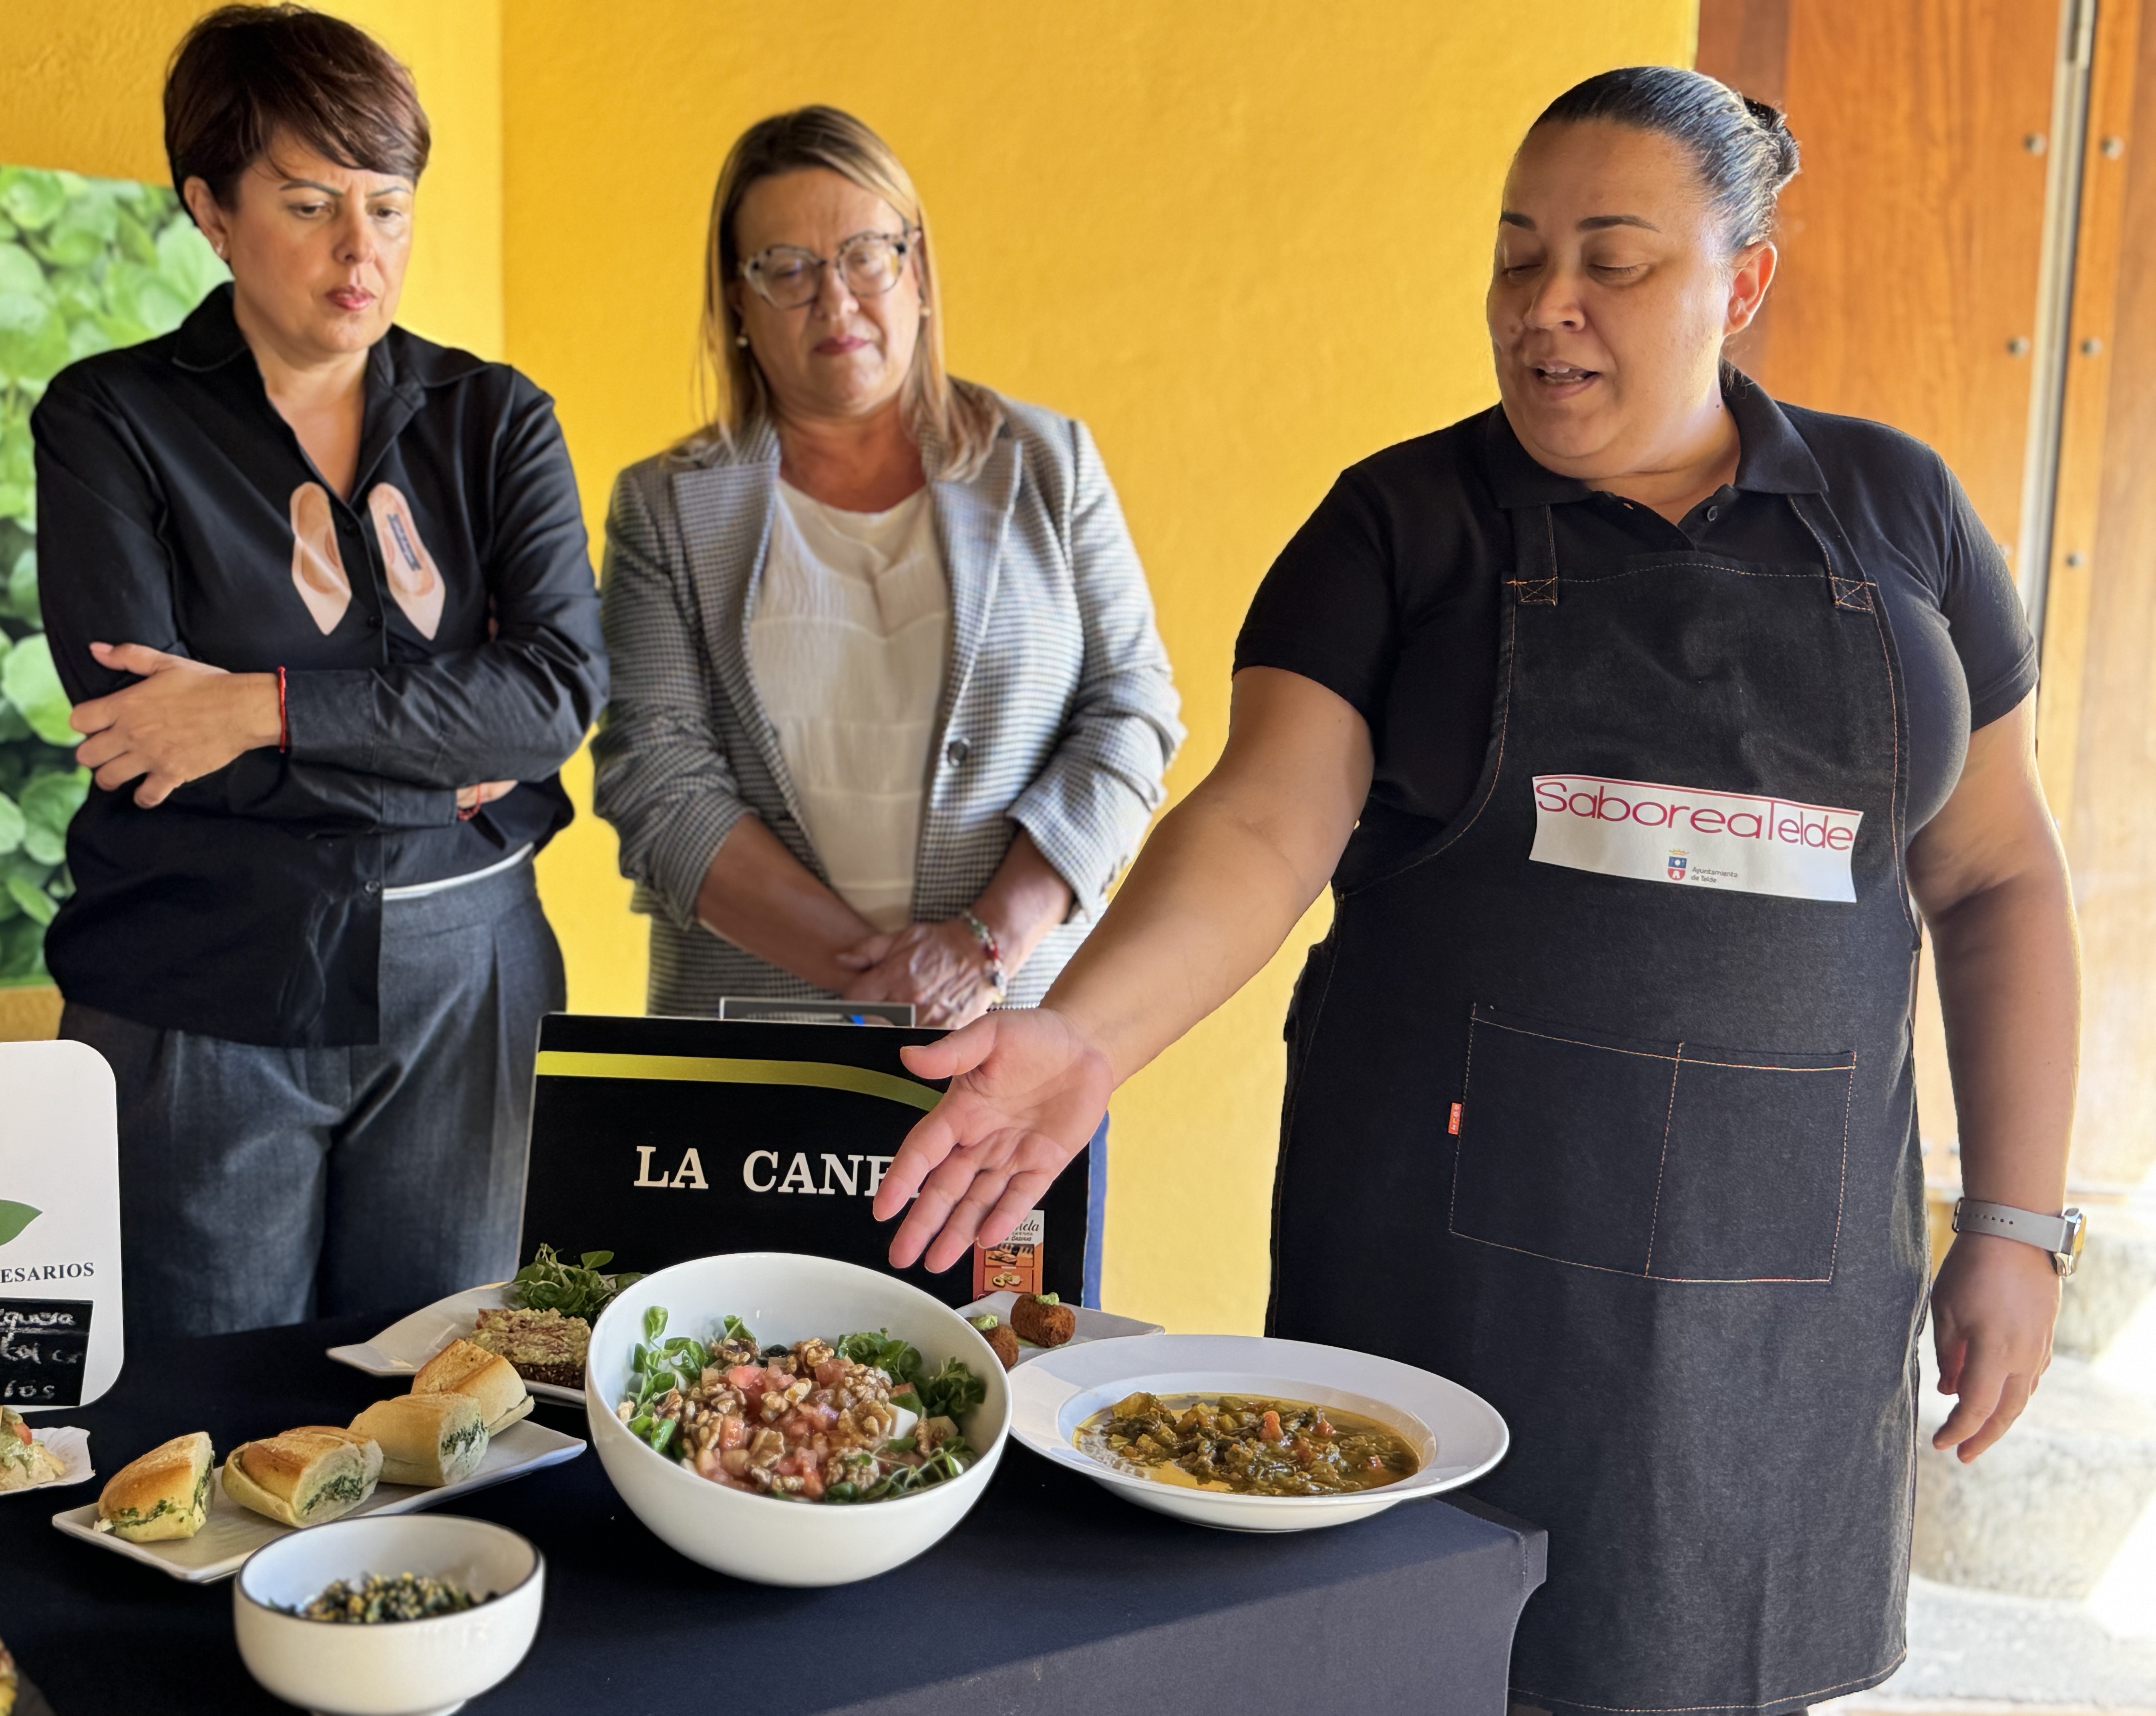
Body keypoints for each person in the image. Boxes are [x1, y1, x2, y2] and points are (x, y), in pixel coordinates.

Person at [873, 68, 2078, 1716]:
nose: (1545, 308)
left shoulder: (1902, 516)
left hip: (1782, 1289)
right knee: (1420, 1667)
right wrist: (1085, 1037)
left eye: (1612, 260)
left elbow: (1998, 874)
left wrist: (2016, 1222)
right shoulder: (1402, 525)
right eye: (1516, 257)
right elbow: (1263, 822)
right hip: (1450, 1283)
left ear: (1744, 282)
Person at [35, 5, 606, 1341]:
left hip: (472, 974)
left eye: (390, 207)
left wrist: (256, 706)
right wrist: (434, 751)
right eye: (309, 203)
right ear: (212, 209)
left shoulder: (495, 418)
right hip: (207, 969)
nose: (364, 252)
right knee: (211, 1411)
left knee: (446, 1389)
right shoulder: (110, 420)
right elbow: (145, 738)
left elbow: (554, 700)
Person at [593, 107, 1181, 1301]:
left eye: (869, 252)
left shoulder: (1049, 463)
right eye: (788, 268)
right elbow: (654, 779)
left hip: (1003, 1054)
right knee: (738, 1402)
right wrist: (869, 970)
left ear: (917, 271)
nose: (837, 298)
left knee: (997, 1385)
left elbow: (1133, 711)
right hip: (749, 1074)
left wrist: (982, 945)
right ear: (739, 303)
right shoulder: (665, 507)